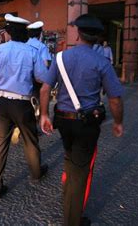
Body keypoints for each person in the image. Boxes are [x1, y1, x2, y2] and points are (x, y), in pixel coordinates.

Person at [39, 14, 124, 226]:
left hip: (63, 120)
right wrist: (118, 122)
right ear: (95, 38)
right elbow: (114, 99)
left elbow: (45, 89)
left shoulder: (60, 57)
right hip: (87, 124)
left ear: (77, 34)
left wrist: (44, 115)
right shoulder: (102, 62)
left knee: (71, 158)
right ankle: (72, 220)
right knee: (80, 172)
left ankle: (69, 199)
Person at [0, 14, 49, 202]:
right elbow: (42, 77)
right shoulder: (32, 52)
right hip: (23, 103)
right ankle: (36, 173)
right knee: (30, 140)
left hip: (2, 103)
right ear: (25, 34)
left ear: (7, 33)